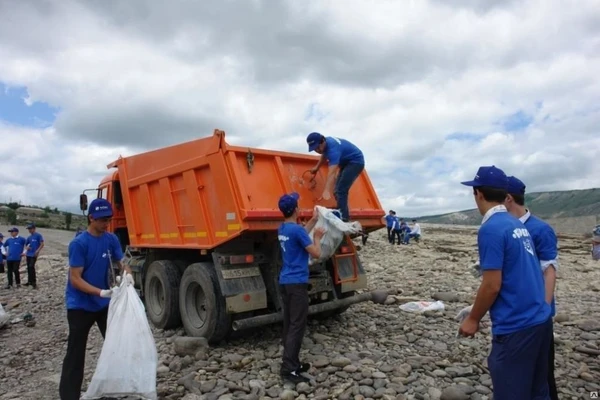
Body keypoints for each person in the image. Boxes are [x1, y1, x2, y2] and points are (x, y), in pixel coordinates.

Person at [458, 165, 552, 400]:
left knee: (511, 392)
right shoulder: (517, 225)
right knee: (538, 390)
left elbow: (492, 284)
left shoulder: (491, 229)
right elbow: (523, 272)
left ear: (478, 194)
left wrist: (473, 318)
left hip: (516, 327)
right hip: (540, 320)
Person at [59, 198, 134, 400]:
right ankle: (69, 395)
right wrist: (100, 292)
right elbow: (75, 279)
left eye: (108, 219)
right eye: (102, 220)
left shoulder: (111, 239)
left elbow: (122, 262)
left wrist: (127, 274)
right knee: (76, 352)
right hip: (80, 305)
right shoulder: (79, 244)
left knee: (114, 344)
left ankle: (116, 388)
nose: (106, 223)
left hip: (103, 304)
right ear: (91, 218)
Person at [504, 175, 559, 400]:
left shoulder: (540, 229)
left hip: (537, 313)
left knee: (542, 371)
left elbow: (550, 271)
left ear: (508, 198)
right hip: (514, 312)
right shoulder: (505, 227)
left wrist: (544, 309)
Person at [277, 192, 325, 383]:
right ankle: (288, 370)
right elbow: (316, 253)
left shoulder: (283, 228)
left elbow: (299, 235)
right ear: (296, 209)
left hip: (285, 282)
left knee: (290, 324)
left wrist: (313, 221)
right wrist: (318, 237)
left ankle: (293, 363)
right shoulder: (295, 230)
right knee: (297, 326)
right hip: (297, 284)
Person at [306, 132, 365, 222]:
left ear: (323, 141)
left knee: (340, 190)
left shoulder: (333, 150)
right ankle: (341, 212)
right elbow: (324, 155)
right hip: (346, 163)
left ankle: (344, 218)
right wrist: (317, 168)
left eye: (317, 147)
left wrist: (326, 190)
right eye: (314, 149)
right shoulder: (325, 145)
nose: (317, 150)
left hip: (355, 162)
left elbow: (331, 173)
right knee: (337, 191)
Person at [24, 222, 44, 289]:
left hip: (34, 254)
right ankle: (29, 281)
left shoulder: (38, 235)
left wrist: (37, 251)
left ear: (34, 229)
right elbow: (26, 244)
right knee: (28, 267)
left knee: (31, 266)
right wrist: (27, 247)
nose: (29, 230)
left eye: (30, 229)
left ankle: (34, 282)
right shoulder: (29, 237)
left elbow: (42, 244)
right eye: (28, 229)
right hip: (28, 254)